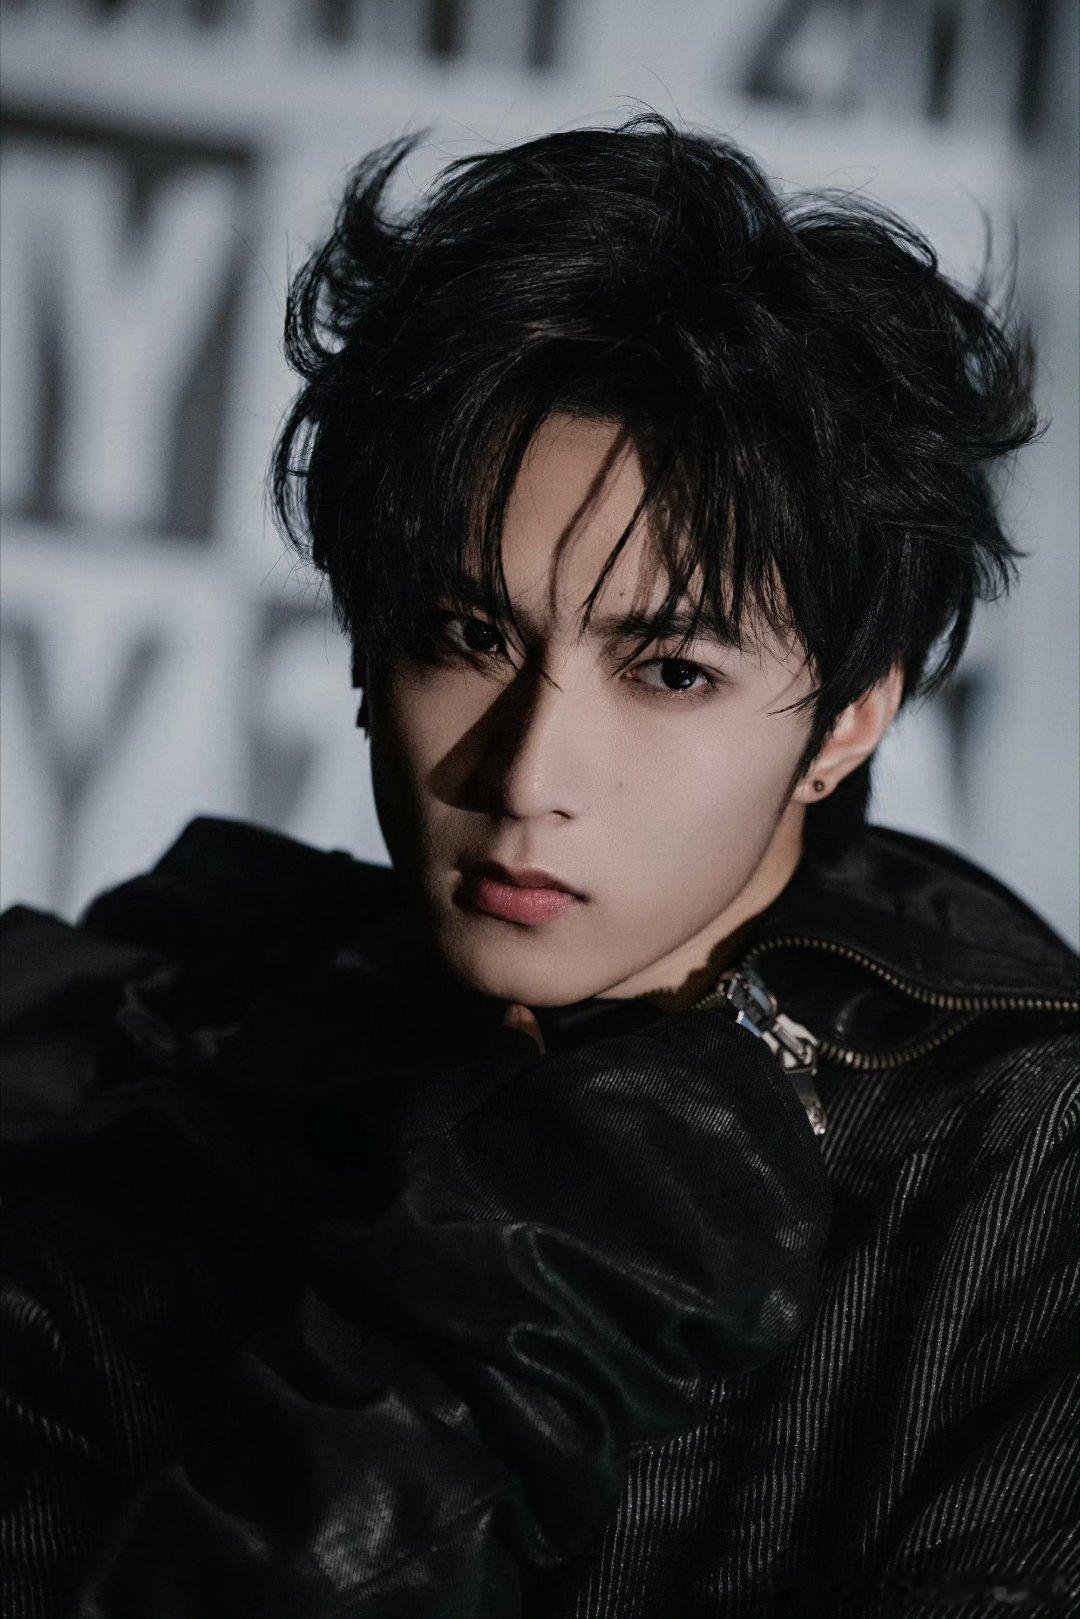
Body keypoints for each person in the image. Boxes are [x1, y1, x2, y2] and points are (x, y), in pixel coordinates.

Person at [2, 113, 1077, 1619]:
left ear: (847, 718)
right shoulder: (132, 1090)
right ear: (364, 650)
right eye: (464, 637)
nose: (526, 779)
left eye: (673, 672)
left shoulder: (1027, 1163)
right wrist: (465, 1376)